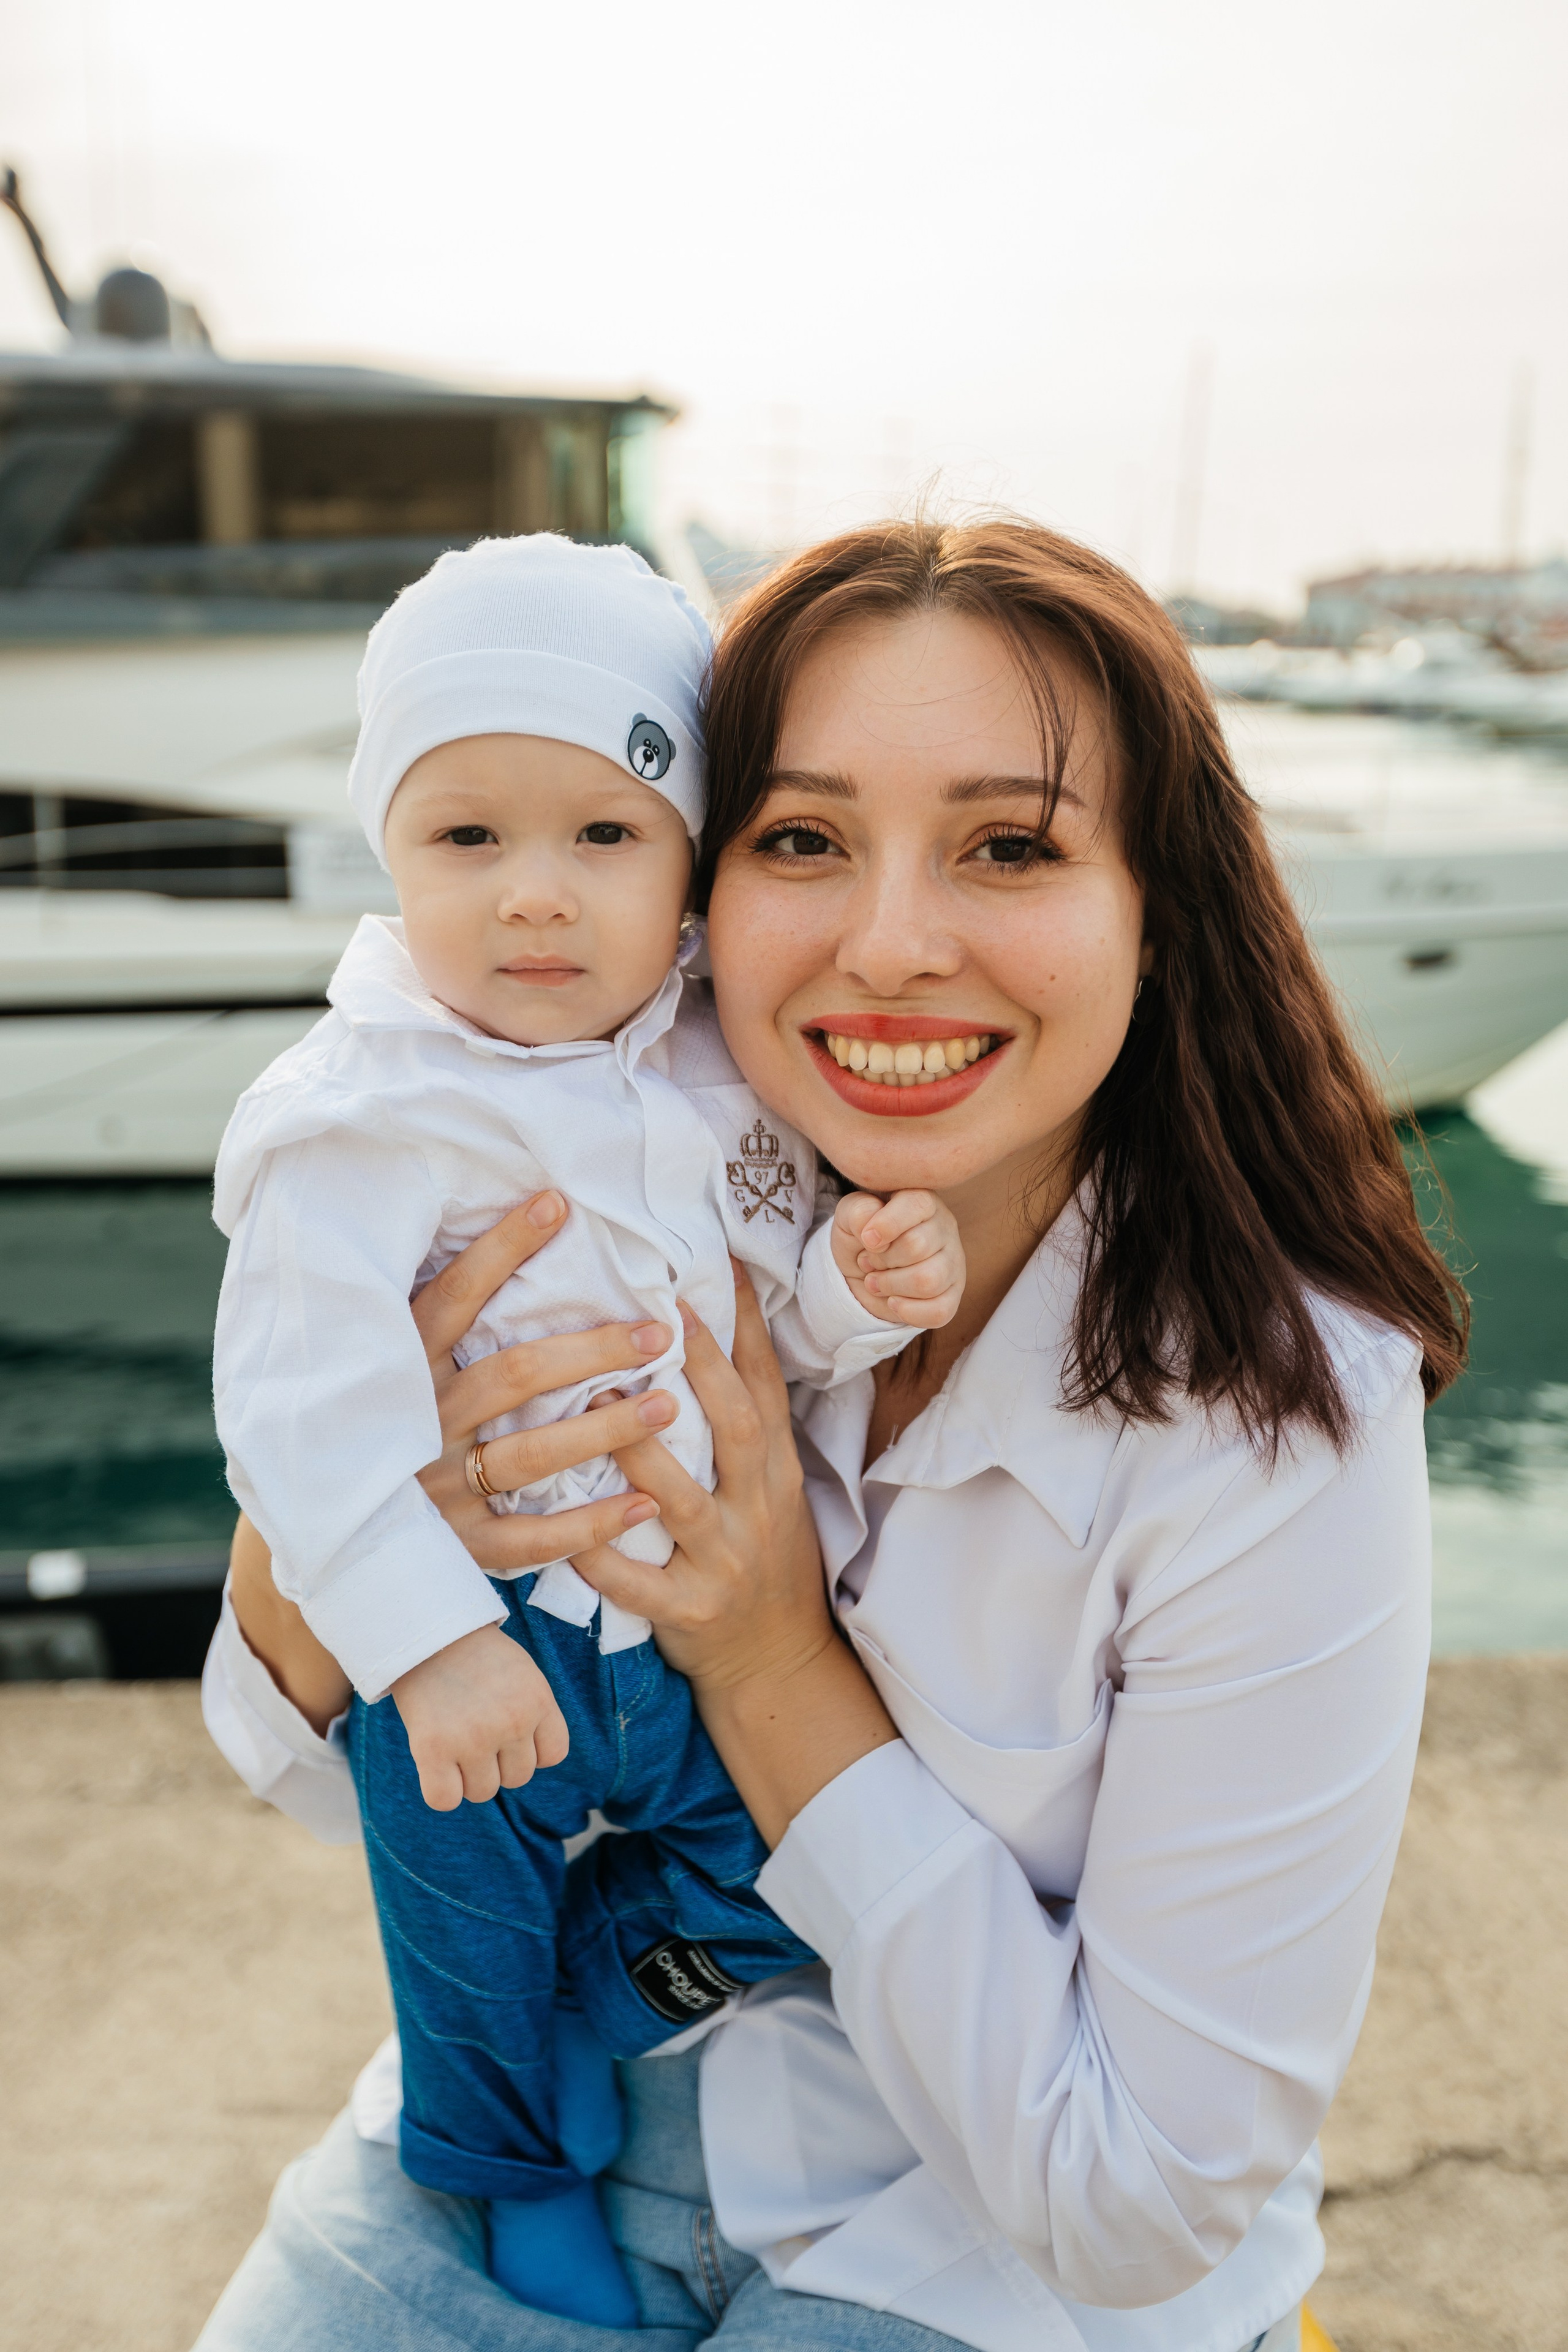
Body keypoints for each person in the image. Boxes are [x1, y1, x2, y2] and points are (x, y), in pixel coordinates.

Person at [198, 517, 1465, 2352]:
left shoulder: (1276, 1422)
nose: (890, 943)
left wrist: (778, 1662)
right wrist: (359, 1534)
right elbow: (316, 1783)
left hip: (981, 2248)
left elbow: (1141, 2200)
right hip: (524, 2128)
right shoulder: (620, 1176)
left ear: (1158, 907)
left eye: (1010, 846)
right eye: (801, 839)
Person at [209, 532, 965, 2323]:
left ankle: (603, 2001)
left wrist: (860, 1289)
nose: (535, 898)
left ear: (689, 857)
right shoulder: (361, 1112)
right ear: (392, 850)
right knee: (456, 1956)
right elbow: (303, 1418)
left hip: (689, 1643)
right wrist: (431, 1645)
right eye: (469, 837)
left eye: (606, 835)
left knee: (795, 1880)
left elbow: (770, 1338)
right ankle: (509, 2169)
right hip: (487, 1640)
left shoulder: (721, 1069)